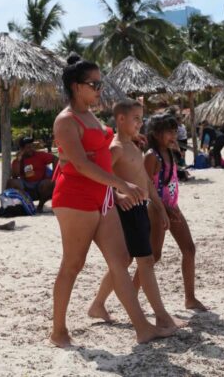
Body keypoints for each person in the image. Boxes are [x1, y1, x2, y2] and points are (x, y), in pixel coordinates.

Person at [50, 54, 175, 348]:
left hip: (102, 198)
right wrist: (120, 183)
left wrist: (115, 188)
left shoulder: (90, 115)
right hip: (75, 199)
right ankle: (58, 331)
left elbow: (102, 158)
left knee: (119, 261)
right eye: (94, 84)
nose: (99, 89)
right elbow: (80, 165)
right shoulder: (66, 121)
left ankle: (143, 328)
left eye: (100, 83)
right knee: (73, 264)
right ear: (75, 86)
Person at [88, 100, 185, 331]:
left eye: (142, 118)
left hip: (140, 207)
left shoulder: (133, 145)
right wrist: (117, 196)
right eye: (136, 119)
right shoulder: (116, 148)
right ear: (121, 119)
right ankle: (161, 316)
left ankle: (98, 304)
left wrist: (160, 207)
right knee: (145, 261)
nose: (140, 123)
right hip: (126, 210)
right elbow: (99, 178)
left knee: (126, 261)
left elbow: (145, 180)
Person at [144, 113, 206, 311]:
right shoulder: (151, 156)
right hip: (156, 209)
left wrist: (171, 207)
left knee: (189, 249)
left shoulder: (169, 153)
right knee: (153, 256)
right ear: (155, 134)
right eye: (168, 132)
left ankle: (190, 298)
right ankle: (132, 296)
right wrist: (163, 208)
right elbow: (146, 187)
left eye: (174, 131)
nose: (173, 135)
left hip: (172, 207)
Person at [6, 136, 57, 212]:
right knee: (12, 182)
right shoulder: (17, 160)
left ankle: (40, 207)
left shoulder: (40, 155)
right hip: (25, 185)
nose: (31, 149)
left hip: (41, 184)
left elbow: (55, 159)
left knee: (49, 182)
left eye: (32, 146)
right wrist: (19, 160)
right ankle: (27, 204)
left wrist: (54, 174)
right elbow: (15, 176)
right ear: (22, 149)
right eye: (28, 147)